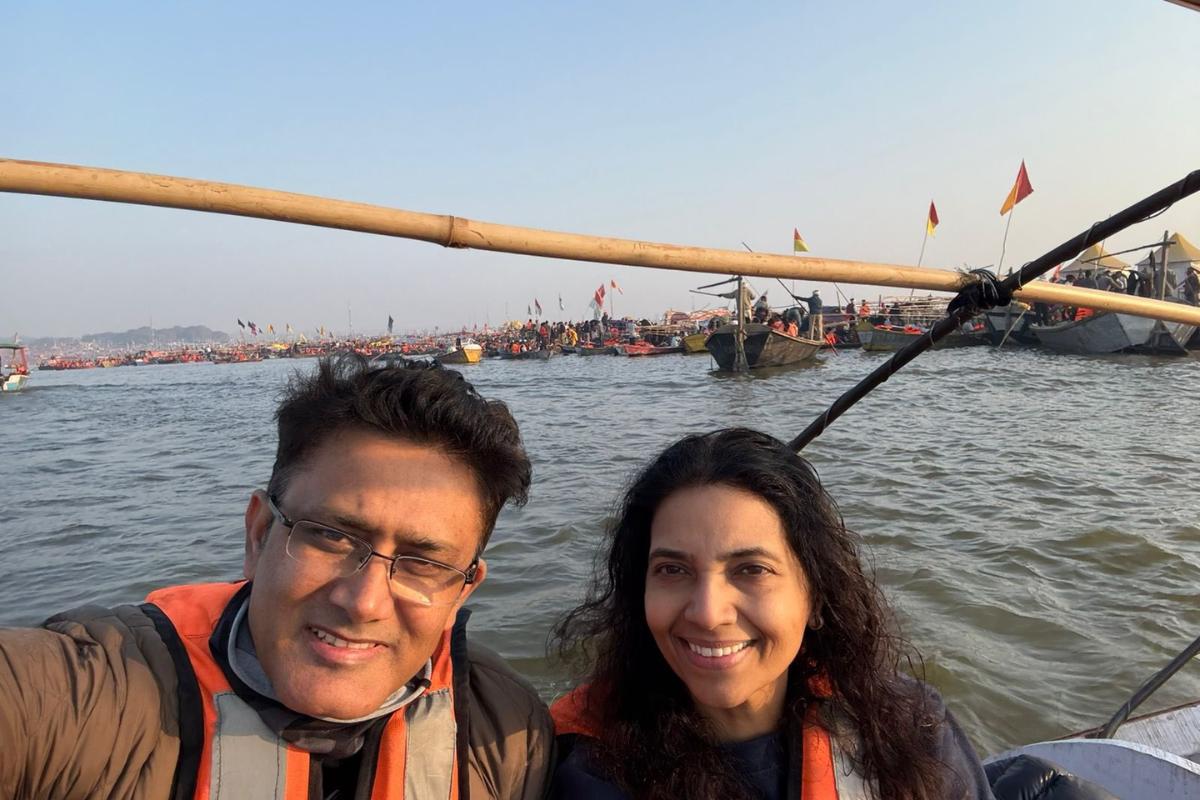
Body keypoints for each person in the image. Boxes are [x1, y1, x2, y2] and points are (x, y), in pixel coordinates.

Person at [0, 356, 554, 799]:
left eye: (424, 563)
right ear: (259, 534)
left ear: (463, 589)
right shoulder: (89, 696)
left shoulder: (505, 733)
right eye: (330, 536)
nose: (363, 602)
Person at [549, 428, 994, 800]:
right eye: (672, 569)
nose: (708, 613)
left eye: (752, 570)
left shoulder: (909, 728)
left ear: (815, 595)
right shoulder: (590, 771)